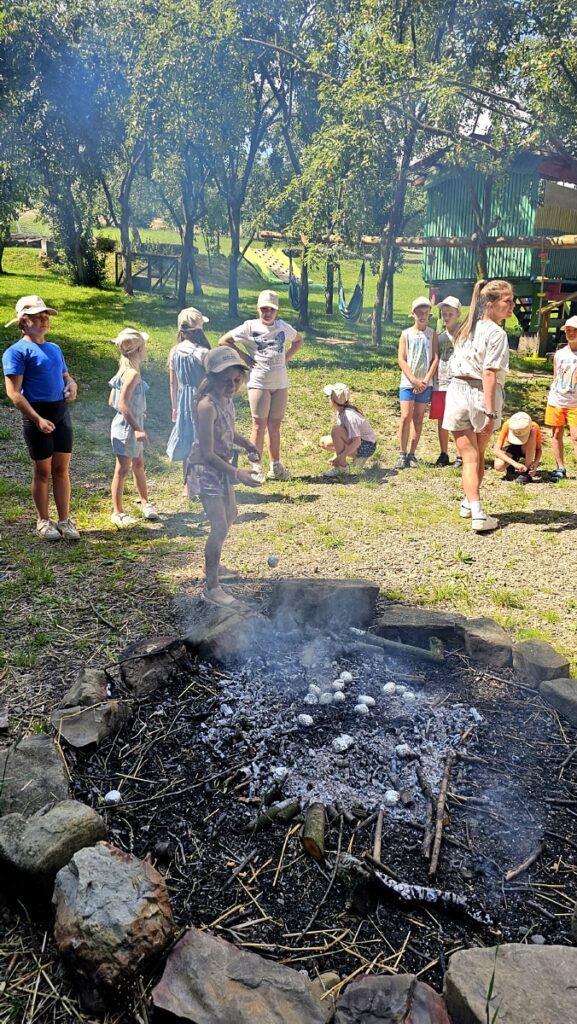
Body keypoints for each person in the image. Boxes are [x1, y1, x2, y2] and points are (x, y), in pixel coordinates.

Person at [2, 294, 80, 541]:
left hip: (61, 414)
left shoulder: (54, 348)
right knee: (43, 471)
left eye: (45, 316)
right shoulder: (16, 352)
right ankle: (43, 521)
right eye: (36, 317)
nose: (43, 320)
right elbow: (14, 393)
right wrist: (37, 419)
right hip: (37, 416)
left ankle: (65, 520)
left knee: (61, 469)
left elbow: (65, 376)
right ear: (23, 322)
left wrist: (72, 384)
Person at [189, 347, 262, 607]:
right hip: (206, 469)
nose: (232, 386)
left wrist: (247, 443)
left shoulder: (226, 400)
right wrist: (237, 473)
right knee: (219, 525)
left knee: (231, 513)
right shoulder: (207, 406)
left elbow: (228, 430)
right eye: (226, 381)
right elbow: (207, 454)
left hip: (222, 467)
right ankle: (212, 587)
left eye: (237, 380)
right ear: (213, 378)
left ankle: (214, 564)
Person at [442, 278, 514, 532]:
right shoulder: (496, 333)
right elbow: (489, 373)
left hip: (456, 392)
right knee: (475, 457)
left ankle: (468, 502)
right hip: (480, 395)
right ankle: (478, 513)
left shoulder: (466, 328)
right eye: (508, 301)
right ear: (490, 303)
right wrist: (490, 412)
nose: (512, 306)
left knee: (471, 456)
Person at [218, 289, 303, 482]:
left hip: (280, 383)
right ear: (258, 309)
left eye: (271, 309)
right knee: (259, 425)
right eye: (264, 309)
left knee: (275, 425)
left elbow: (298, 341)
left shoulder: (282, 327)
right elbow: (224, 341)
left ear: (277, 311)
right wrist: (245, 357)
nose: (267, 313)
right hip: (259, 383)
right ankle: (256, 467)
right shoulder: (250, 327)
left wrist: (286, 357)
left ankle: (276, 466)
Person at [109, 328, 160, 527]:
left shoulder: (125, 370)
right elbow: (122, 404)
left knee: (138, 464)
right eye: (144, 347)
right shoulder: (132, 374)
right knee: (122, 469)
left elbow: (111, 400)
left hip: (130, 422)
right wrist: (137, 427)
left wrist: (138, 411)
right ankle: (117, 512)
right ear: (138, 350)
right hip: (126, 428)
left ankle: (145, 503)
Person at [166, 307, 210, 498]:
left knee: (187, 440)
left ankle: (188, 486)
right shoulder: (202, 353)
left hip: (183, 401)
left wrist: (174, 406)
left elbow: (173, 383)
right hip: (201, 401)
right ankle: (202, 483)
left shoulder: (175, 351)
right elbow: (211, 380)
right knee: (202, 441)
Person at [397, 296, 439, 468]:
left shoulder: (432, 334)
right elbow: (401, 359)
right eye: (419, 313)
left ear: (429, 314)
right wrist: (413, 380)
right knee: (405, 416)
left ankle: (412, 454)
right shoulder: (406, 334)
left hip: (425, 383)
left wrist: (426, 380)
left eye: (426, 313)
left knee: (419, 418)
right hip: (408, 383)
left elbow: (435, 358)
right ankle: (402, 453)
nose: (422, 316)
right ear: (413, 314)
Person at [319, 382, 377, 478]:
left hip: (367, 446)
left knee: (336, 431)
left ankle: (341, 467)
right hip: (361, 443)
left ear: (333, 401)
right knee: (324, 442)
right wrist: (336, 456)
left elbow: (357, 441)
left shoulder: (349, 415)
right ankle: (356, 459)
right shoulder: (341, 411)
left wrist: (340, 457)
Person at [544, 315, 577, 481]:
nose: (571, 333)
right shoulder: (559, 354)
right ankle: (560, 467)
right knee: (556, 433)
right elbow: (555, 375)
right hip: (557, 399)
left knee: (575, 436)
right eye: (568, 330)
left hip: (575, 402)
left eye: (574, 330)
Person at [430, 296, 462, 467]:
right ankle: (443, 453)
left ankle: (460, 454)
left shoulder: (464, 336)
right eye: (444, 314)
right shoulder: (439, 337)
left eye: (450, 314)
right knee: (442, 419)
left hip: (459, 384)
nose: (447, 317)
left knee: (458, 418)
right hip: (441, 383)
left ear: (458, 314)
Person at [493, 411, 542, 482]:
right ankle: (511, 465)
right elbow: (496, 450)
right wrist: (515, 464)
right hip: (511, 447)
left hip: (525, 448)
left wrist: (535, 463)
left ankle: (526, 471)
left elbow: (538, 449)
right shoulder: (507, 424)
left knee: (533, 432)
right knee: (499, 466)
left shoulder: (534, 426)